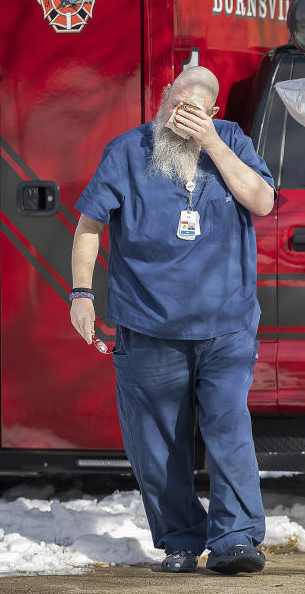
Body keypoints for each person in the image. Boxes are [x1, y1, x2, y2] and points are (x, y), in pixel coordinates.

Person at [69, 66, 276, 575]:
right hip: (148, 326)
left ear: (213, 112)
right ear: (163, 99)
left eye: (194, 110)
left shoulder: (232, 141)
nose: (179, 117)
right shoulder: (128, 150)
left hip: (226, 324)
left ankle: (236, 540)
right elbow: (89, 225)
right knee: (157, 444)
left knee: (229, 429)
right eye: (174, 104)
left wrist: (214, 144)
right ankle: (181, 540)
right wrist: (80, 294)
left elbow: (263, 201)